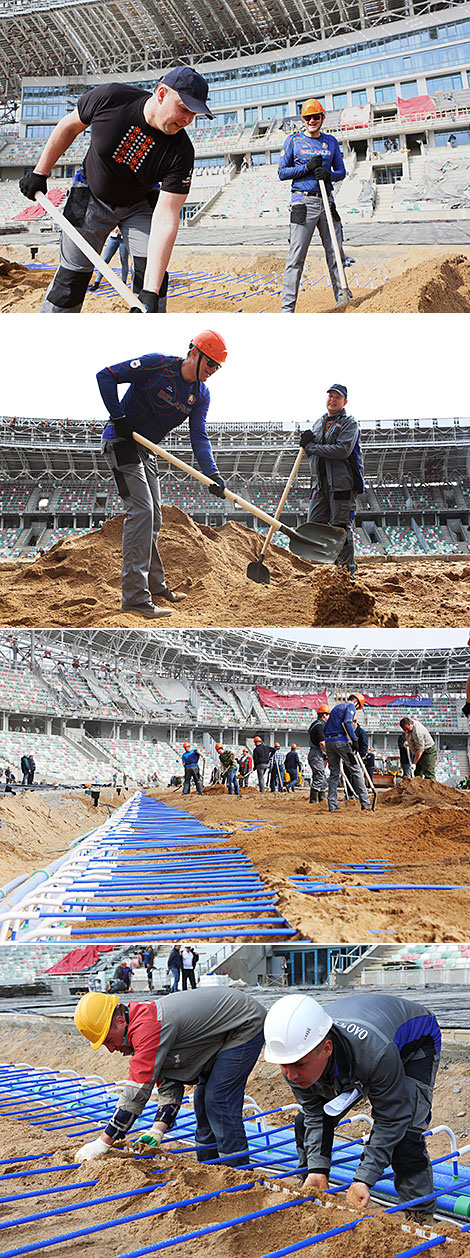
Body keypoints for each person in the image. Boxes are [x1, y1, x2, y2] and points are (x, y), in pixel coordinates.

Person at [19, 67, 213, 313]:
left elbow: (166, 217)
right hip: (90, 193)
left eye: (194, 114)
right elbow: (69, 126)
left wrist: (151, 291)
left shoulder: (182, 152)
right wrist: (40, 172)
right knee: (72, 278)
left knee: (153, 278)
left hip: (141, 203)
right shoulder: (111, 98)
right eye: (184, 109)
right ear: (162, 94)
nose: (188, 120)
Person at [264, 992, 441, 1220]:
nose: (291, 1075)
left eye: (299, 1065)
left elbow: (392, 1118)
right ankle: (312, 1183)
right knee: (303, 1123)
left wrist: (364, 1179)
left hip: (414, 1046)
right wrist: (317, 1167)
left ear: (326, 1049)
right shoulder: (299, 1057)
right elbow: (315, 1115)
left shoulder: (374, 1053)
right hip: (360, 1050)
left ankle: (419, 1212)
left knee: (406, 1135)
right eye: (284, 1066)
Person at [96, 330, 227, 619]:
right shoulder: (157, 366)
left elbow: (199, 436)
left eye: (217, 367)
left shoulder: (200, 395)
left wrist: (212, 474)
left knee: (154, 517)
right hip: (121, 444)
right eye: (210, 364)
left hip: (147, 451)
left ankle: (156, 587)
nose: (212, 371)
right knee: (141, 512)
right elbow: (105, 376)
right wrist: (118, 417)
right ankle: (134, 599)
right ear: (194, 353)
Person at [73, 987, 266, 1166]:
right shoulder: (141, 1026)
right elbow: (168, 1082)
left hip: (244, 1025)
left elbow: (135, 1093)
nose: (111, 1048)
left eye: (108, 1039)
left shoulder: (147, 1028)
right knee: (202, 1100)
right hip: (221, 1033)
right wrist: (158, 1129)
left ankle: (237, 1173)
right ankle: (210, 1169)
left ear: (120, 1022)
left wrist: (103, 1143)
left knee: (219, 1098)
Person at [278, 99, 350, 313]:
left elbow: (342, 172)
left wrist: (328, 175)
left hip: (327, 201)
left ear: (322, 118)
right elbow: (282, 172)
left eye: (316, 117)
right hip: (303, 202)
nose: (312, 121)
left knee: (336, 251)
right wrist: (307, 168)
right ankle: (287, 310)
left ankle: (343, 297)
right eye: (308, 117)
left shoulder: (331, 142)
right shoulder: (294, 141)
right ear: (303, 119)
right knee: (296, 257)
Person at [300, 384, 365, 578]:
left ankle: (346, 573)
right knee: (313, 523)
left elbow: (342, 450)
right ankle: (334, 560)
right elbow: (312, 453)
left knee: (340, 527)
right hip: (320, 485)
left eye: (337, 397)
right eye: (330, 396)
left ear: (345, 402)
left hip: (341, 484)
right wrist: (307, 446)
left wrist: (312, 447)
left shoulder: (349, 423)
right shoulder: (318, 424)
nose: (332, 400)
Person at [323, 693, 371, 812]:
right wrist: (354, 739)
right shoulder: (350, 707)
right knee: (356, 770)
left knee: (334, 774)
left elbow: (325, 728)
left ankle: (332, 805)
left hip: (329, 742)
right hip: (341, 742)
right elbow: (348, 722)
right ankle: (366, 803)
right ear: (357, 702)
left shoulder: (336, 708)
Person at [89, 227, 130, 292]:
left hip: (124, 238)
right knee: (104, 260)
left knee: (124, 260)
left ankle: (123, 283)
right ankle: (96, 282)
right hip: (114, 236)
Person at [307, 703, 330, 803]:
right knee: (319, 777)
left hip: (317, 754)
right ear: (324, 715)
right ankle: (313, 800)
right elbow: (322, 743)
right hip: (316, 754)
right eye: (329, 715)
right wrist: (329, 753)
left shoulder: (316, 724)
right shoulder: (320, 726)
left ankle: (321, 800)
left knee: (323, 779)